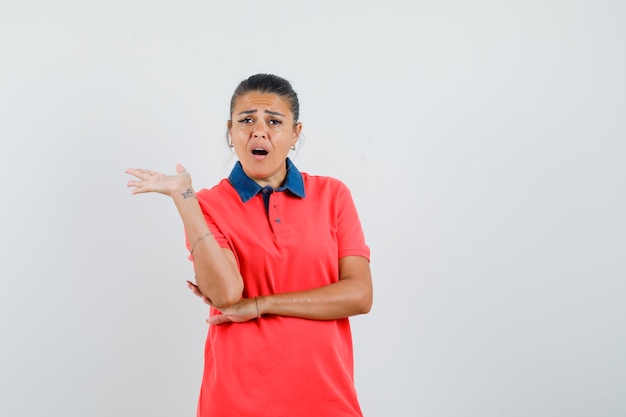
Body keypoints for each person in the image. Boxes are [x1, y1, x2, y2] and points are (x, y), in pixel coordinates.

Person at [126, 73, 373, 417]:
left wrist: (260, 305)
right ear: (231, 131)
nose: (259, 130)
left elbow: (360, 295)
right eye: (246, 121)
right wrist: (185, 198)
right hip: (237, 403)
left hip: (327, 401)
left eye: (274, 121)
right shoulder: (208, 204)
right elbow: (226, 293)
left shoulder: (333, 196)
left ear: (295, 134)